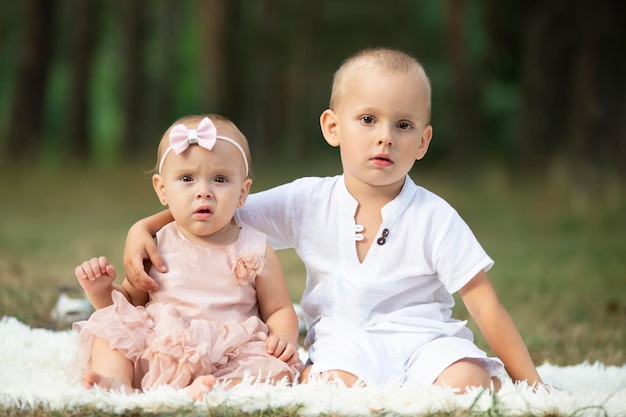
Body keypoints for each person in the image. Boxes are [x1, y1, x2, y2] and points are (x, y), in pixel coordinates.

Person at [122, 48, 545, 392]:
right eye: (367, 120)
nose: (385, 137)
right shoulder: (307, 200)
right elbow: (219, 209)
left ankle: (448, 381)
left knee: (468, 384)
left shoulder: (435, 217)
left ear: (423, 141)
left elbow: (485, 304)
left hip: (425, 338)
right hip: (344, 341)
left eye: (403, 125)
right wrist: (144, 227)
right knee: (329, 390)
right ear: (332, 127)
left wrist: (533, 386)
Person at [73, 114, 303, 401]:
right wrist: (101, 291)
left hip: (228, 352)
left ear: (242, 192)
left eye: (220, 179)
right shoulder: (157, 243)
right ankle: (117, 381)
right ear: (162, 189)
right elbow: (130, 305)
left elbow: (279, 308)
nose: (203, 192)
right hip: (161, 344)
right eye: (187, 179)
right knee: (111, 332)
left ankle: (214, 391)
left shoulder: (254, 247)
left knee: (276, 369)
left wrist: (283, 338)